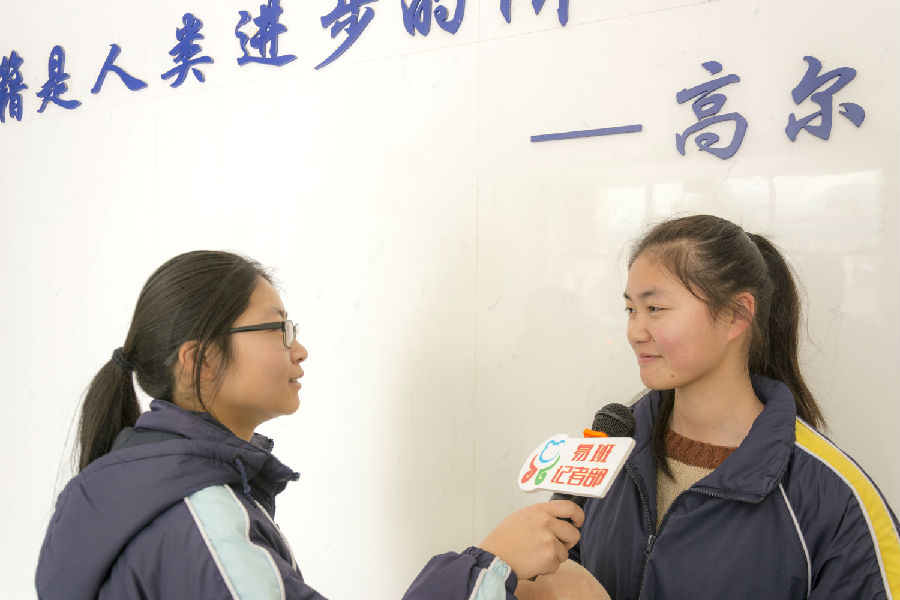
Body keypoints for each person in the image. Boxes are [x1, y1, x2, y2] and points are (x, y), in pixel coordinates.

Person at [36, 250, 583, 600]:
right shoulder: (201, 516)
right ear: (201, 360)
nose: (299, 350)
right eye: (279, 329)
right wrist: (488, 566)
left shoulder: (135, 489)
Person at [518, 214, 899, 600]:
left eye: (655, 308)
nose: (634, 332)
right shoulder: (610, 451)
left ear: (737, 314)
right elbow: (552, 571)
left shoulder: (835, 500)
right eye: (631, 309)